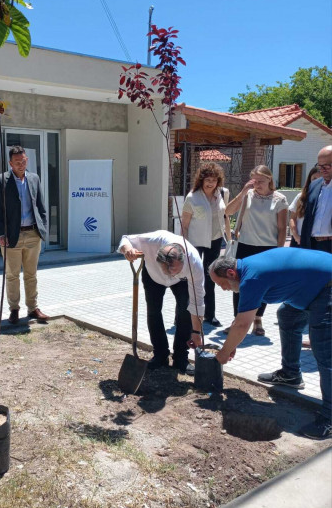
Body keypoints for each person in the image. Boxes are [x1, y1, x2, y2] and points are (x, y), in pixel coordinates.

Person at [208, 249, 332, 440]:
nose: (223, 289)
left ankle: (329, 419)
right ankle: (291, 375)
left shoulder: (251, 279)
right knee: (287, 315)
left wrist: (224, 353)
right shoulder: (247, 268)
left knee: (324, 350)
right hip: (314, 285)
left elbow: (242, 324)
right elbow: (240, 323)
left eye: (222, 284)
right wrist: (231, 344)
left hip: (327, 286)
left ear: (231, 273)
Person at [118, 230, 205, 374]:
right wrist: (128, 250)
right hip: (153, 276)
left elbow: (198, 301)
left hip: (181, 281)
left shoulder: (194, 263)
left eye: (173, 269)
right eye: (166, 269)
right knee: (153, 312)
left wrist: (196, 331)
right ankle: (160, 354)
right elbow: (126, 239)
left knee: (185, 312)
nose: (169, 274)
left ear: (183, 259)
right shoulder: (152, 240)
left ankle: (181, 358)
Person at [224, 165, 288, 336]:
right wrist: (243, 191)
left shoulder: (279, 199)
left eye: (261, 181)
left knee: (263, 285)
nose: (257, 184)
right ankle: (237, 320)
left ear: (270, 179)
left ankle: (258, 319)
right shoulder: (248, 195)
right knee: (238, 284)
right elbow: (228, 211)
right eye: (254, 181)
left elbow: (282, 229)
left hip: (268, 248)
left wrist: (279, 253)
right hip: (245, 245)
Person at [0, 146, 48, 324]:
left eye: (23, 161)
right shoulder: (0, 181)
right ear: (10, 163)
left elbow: (40, 204)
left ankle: (32, 308)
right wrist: (1, 233)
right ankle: (14, 309)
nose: (21, 165)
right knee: (12, 275)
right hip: (10, 236)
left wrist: (43, 227)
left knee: (31, 274)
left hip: (32, 233)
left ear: (27, 160)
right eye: (17, 162)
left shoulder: (34, 178)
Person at [181, 162, 231, 327]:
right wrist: (184, 245)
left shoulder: (222, 193)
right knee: (194, 277)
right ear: (201, 180)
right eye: (207, 179)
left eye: (214, 180)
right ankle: (186, 313)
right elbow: (185, 224)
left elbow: (225, 217)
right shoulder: (192, 197)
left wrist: (229, 239)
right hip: (195, 242)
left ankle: (210, 314)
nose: (211, 183)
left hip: (215, 240)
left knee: (211, 277)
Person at [300, 145, 332, 254]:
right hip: (313, 245)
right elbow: (307, 219)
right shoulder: (314, 185)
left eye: (327, 166)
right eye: (319, 166)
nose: (322, 170)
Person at [289, 165, 321, 247]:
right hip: (299, 240)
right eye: (314, 178)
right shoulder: (301, 196)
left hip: (318, 241)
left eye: (320, 179)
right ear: (309, 179)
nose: (317, 181)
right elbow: (293, 218)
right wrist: (296, 236)